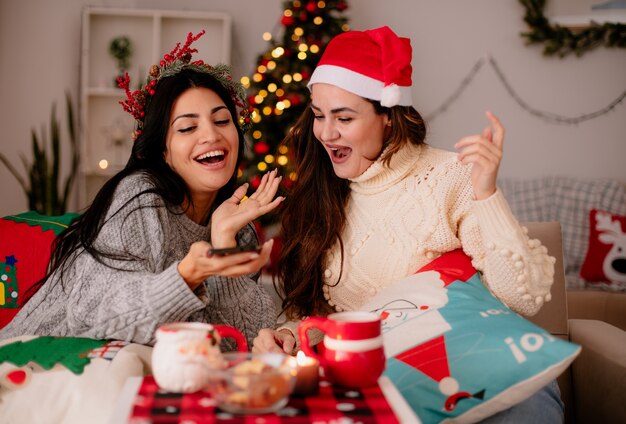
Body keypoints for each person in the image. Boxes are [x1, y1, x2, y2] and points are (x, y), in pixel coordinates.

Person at [252, 26, 563, 421]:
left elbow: (524, 298)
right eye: (318, 116)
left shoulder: (450, 176)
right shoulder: (319, 197)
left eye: (343, 117)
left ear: (388, 116)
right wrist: (288, 337)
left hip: (485, 372)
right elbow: (319, 317)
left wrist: (487, 195)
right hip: (395, 386)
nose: (326, 133)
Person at [0, 31, 283, 350]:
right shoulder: (141, 197)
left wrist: (223, 242)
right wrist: (189, 273)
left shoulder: (235, 227)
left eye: (221, 121)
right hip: (39, 363)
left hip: (132, 376)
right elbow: (101, 317)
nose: (211, 135)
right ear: (162, 150)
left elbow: (244, 341)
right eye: (188, 128)